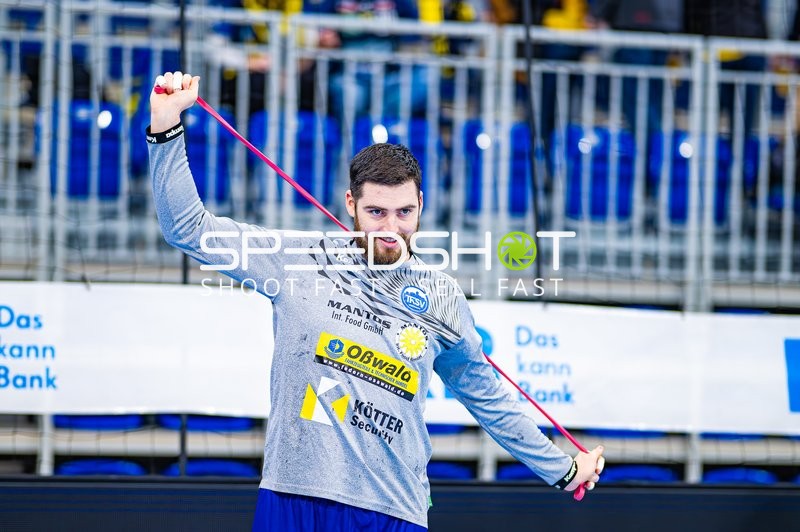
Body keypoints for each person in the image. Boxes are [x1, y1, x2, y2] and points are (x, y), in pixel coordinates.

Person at [148, 71, 604, 531]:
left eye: (405, 212)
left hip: (393, 511)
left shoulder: (441, 296)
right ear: (350, 203)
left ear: (421, 204)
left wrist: (562, 468)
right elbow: (189, 230)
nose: (391, 228)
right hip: (294, 498)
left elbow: (488, 397)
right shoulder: (298, 261)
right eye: (376, 212)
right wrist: (166, 129)